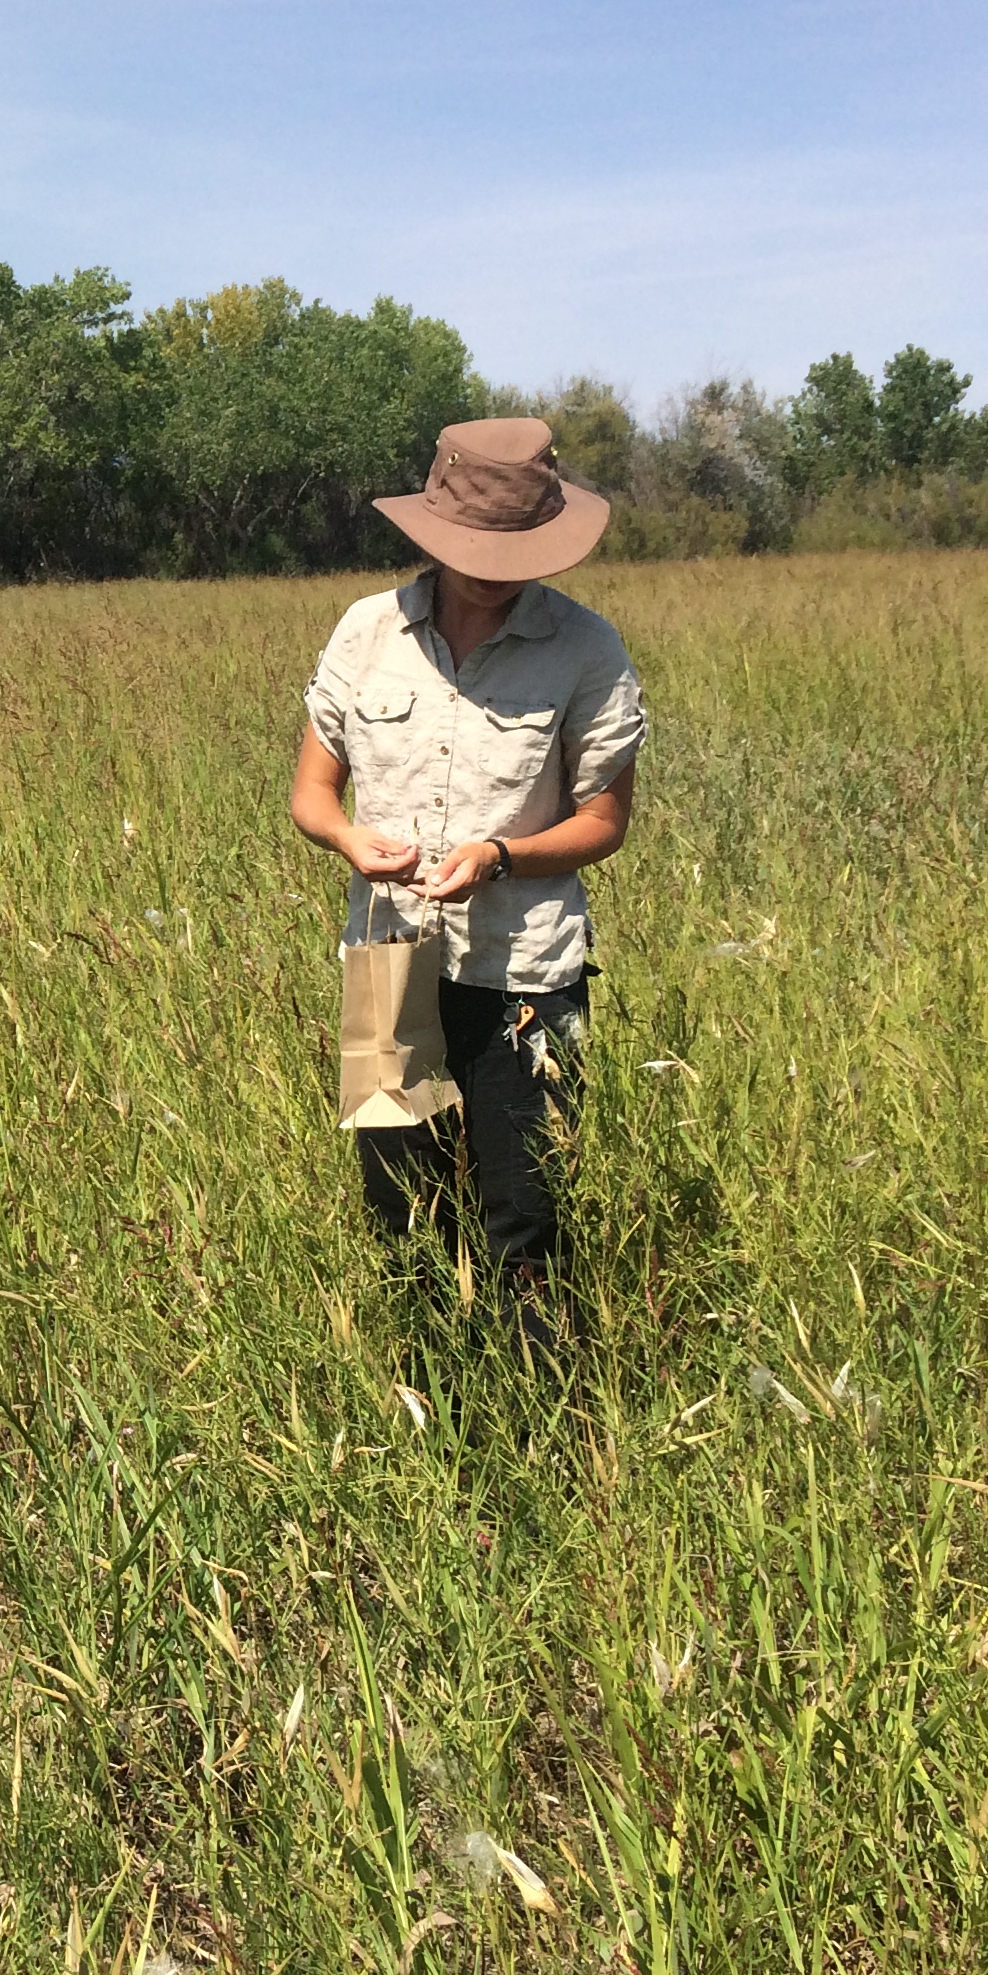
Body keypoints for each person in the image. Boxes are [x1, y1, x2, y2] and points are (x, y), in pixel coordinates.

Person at [289, 417, 646, 1357]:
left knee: (526, 1214)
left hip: (527, 970)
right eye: (472, 546)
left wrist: (498, 855)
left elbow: (603, 823)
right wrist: (348, 840)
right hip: (387, 966)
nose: (493, 566)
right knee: (400, 1208)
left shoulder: (586, 649)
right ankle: (427, 1410)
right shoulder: (366, 630)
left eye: (516, 548)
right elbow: (311, 795)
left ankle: (539, 1422)